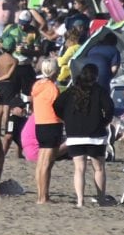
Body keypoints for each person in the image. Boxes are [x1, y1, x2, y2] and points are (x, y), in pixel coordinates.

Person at [58, 62, 114, 207]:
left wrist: (67, 118)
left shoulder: (71, 91)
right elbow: (109, 109)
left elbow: (56, 105)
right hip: (95, 134)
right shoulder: (99, 91)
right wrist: (103, 122)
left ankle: (80, 200)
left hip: (75, 133)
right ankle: (101, 200)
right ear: (95, 76)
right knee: (99, 167)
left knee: (79, 168)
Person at [30, 57, 62, 204]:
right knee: (46, 164)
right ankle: (43, 196)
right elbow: (58, 109)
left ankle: (40, 195)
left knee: (41, 162)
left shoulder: (37, 85)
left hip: (40, 124)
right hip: (51, 125)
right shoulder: (52, 88)